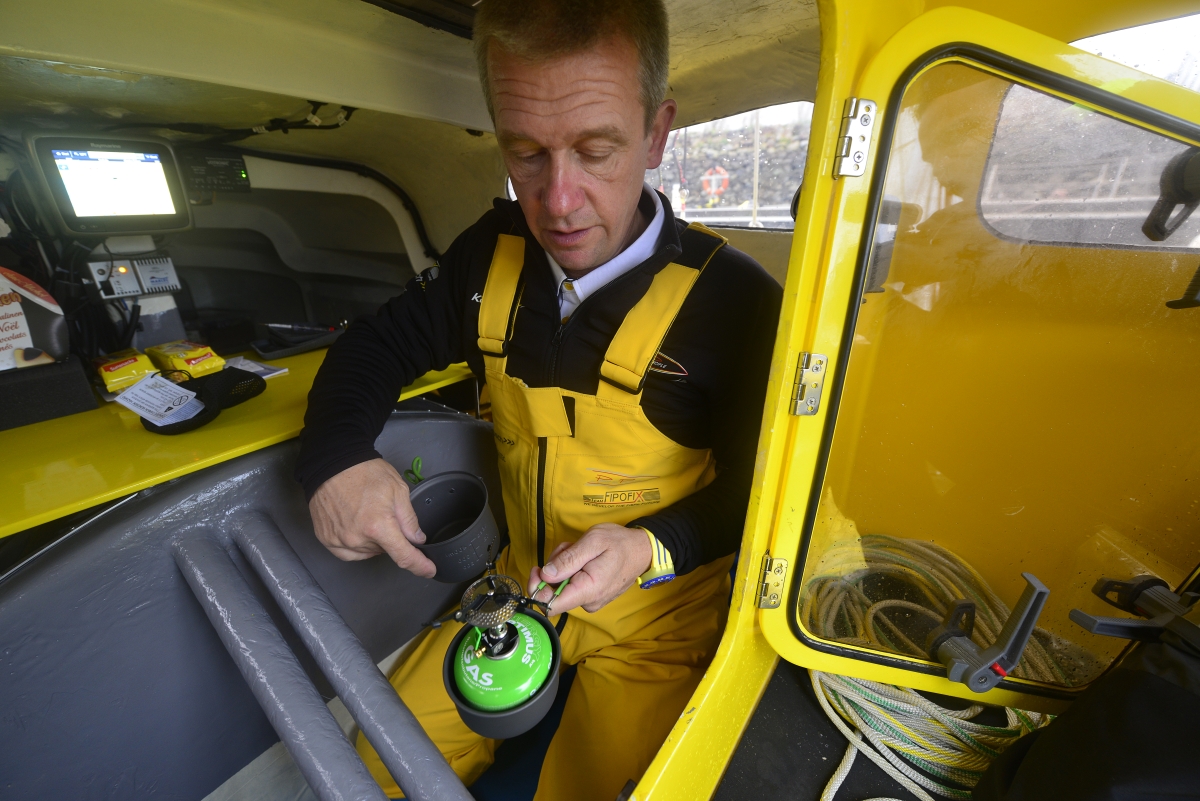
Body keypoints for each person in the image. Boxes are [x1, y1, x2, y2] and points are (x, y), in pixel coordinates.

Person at [295, 1, 782, 797]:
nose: (558, 200)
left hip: (659, 614)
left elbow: (764, 495)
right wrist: (336, 457)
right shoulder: (486, 257)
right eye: (526, 154)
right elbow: (374, 345)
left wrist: (649, 547)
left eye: (596, 151)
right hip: (519, 589)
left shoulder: (737, 302)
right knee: (370, 764)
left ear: (657, 134)